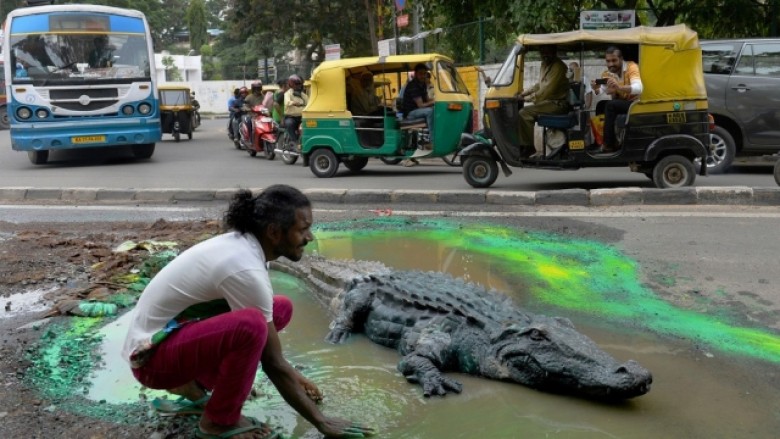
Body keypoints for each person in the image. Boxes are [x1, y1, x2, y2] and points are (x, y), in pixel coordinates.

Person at [122, 185, 375, 439]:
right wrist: (323, 422)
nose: (309, 237)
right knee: (252, 326)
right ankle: (218, 421)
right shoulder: (244, 268)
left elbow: (273, 354)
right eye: (302, 229)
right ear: (274, 232)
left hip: (172, 338)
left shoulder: (250, 247)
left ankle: (195, 385)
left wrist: (293, 375)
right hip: (150, 360)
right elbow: (272, 362)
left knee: (279, 309)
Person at [516, 45, 569, 159]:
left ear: (554, 51)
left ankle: (528, 147)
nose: (545, 54)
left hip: (557, 104)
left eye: (547, 51)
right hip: (549, 102)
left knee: (524, 113)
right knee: (525, 110)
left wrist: (526, 99)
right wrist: (523, 93)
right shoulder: (544, 64)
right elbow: (539, 85)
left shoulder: (558, 67)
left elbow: (546, 91)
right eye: (542, 52)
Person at [590, 46, 643, 153]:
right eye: (608, 61)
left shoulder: (631, 67)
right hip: (624, 103)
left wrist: (618, 87)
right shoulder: (607, 74)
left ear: (621, 59)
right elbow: (601, 92)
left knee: (611, 105)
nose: (611, 64)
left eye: (614, 60)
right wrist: (595, 88)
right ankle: (600, 140)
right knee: (601, 105)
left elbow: (638, 89)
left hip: (636, 104)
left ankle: (608, 145)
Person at [401, 63, 435, 151]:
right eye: (420, 73)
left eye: (424, 73)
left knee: (437, 110)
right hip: (410, 113)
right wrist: (433, 102)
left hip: (418, 110)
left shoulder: (423, 84)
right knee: (430, 111)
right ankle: (432, 141)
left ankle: (433, 137)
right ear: (415, 74)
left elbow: (427, 100)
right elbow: (421, 105)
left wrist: (438, 101)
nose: (423, 76)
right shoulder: (413, 86)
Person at [283, 74, 308, 147]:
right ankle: (295, 142)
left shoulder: (303, 95)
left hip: (302, 117)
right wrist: (293, 102)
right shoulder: (287, 94)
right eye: (296, 84)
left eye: (299, 84)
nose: (298, 86)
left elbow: (308, 103)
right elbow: (287, 102)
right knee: (289, 124)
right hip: (291, 117)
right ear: (291, 85)